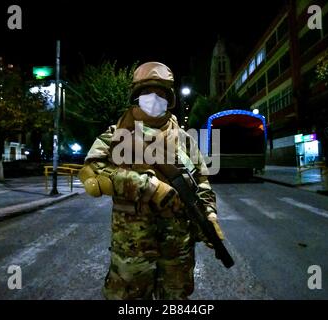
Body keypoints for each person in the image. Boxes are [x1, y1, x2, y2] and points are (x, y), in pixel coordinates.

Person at [79, 62, 222, 299]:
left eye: (161, 93)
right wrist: (148, 187)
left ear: (170, 99)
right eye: (147, 93)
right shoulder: (117, 134)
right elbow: (92, 171)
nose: (154, 98)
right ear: (136, 97)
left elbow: (201, 182)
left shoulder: (186, 140)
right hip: (132, 245)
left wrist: (209, 215)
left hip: (177, 246)